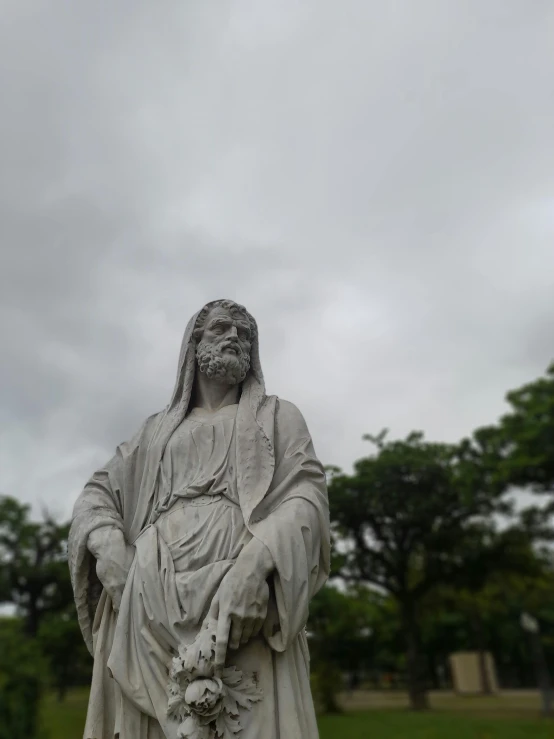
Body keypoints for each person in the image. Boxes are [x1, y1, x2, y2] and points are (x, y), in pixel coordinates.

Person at [68, 299, 330, 739]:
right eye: (221, 328)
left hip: (238, 600)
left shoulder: (277, 417)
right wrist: (107, 544)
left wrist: (258, 563)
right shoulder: (155, 433)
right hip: (149, 593)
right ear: (193, 344)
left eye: (244, 333)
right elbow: (97, 494)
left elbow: (306, 495)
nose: (234, 337)